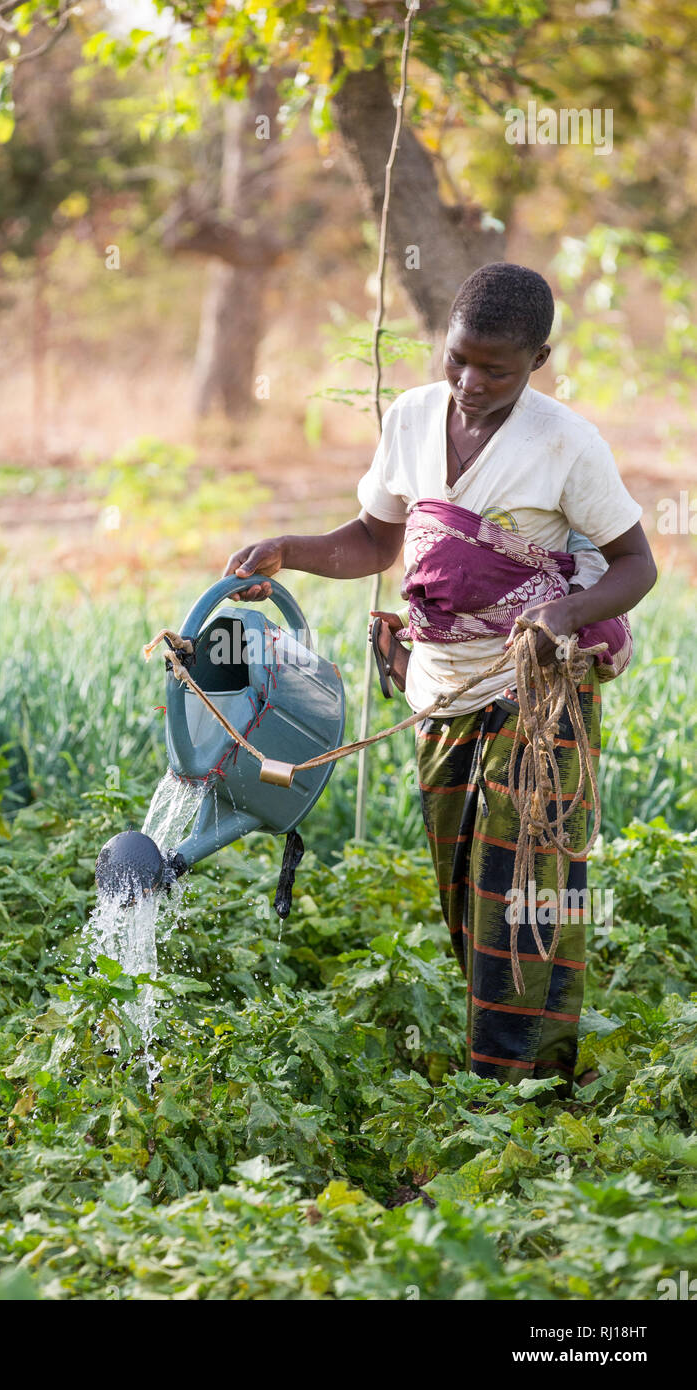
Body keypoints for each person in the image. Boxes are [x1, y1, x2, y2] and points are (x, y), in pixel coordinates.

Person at [222, 262, 657, 1094]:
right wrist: (292, 552)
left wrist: (560, 617)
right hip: (440, 692)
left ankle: (507, 1098)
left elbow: (637, 565)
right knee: (466, 890)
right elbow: (376, 541)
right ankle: (526, 1072)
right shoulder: (413, 418)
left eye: (496, 368)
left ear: (539, 359)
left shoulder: (566, 443)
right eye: (457, 358)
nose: (469, 381)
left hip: (539, 694)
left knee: (523, 891)